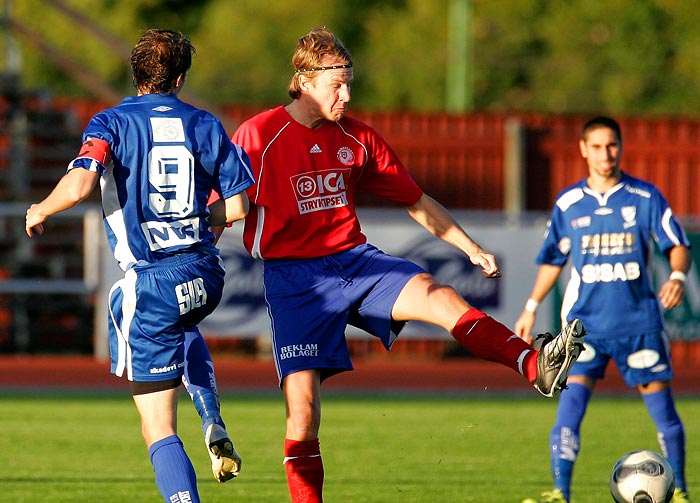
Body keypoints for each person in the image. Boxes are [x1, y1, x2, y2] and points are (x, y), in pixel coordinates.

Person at [222, 26, 586, 503]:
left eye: (350, 83)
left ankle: (533, 364)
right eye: (338, 85)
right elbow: (225, 209)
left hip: (355, 262)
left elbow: (416, 201)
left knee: (442, 296)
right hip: (295, 280)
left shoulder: (358, 137)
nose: (347, 95)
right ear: (305, 81)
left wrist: (469, 247)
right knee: (303, 415)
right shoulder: (260, 134)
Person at [25, 29, 255, 503]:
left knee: (157, 427)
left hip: (152, 280)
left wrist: (40, 210)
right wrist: (195, 220)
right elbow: (236, 210)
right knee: (182, 324)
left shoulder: (110, 122)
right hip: (206, 272)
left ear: (134, 74)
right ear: (181, 77)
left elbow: (80, 186)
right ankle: (211, 416)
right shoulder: (205, 123)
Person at [515, 116, 692, 503]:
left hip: (638, 322)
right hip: (585, 328)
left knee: (664, 413)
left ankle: (679, 491)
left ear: (621, 146)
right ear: (583, 149)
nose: (605, 154)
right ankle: (560, 493)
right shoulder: (568, 203)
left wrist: (677, 276)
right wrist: (531, 306)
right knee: (569, 411)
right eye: (596, 146)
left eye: (611, 145)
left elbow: (677, 244)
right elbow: (553, 259)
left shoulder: (644, 197)